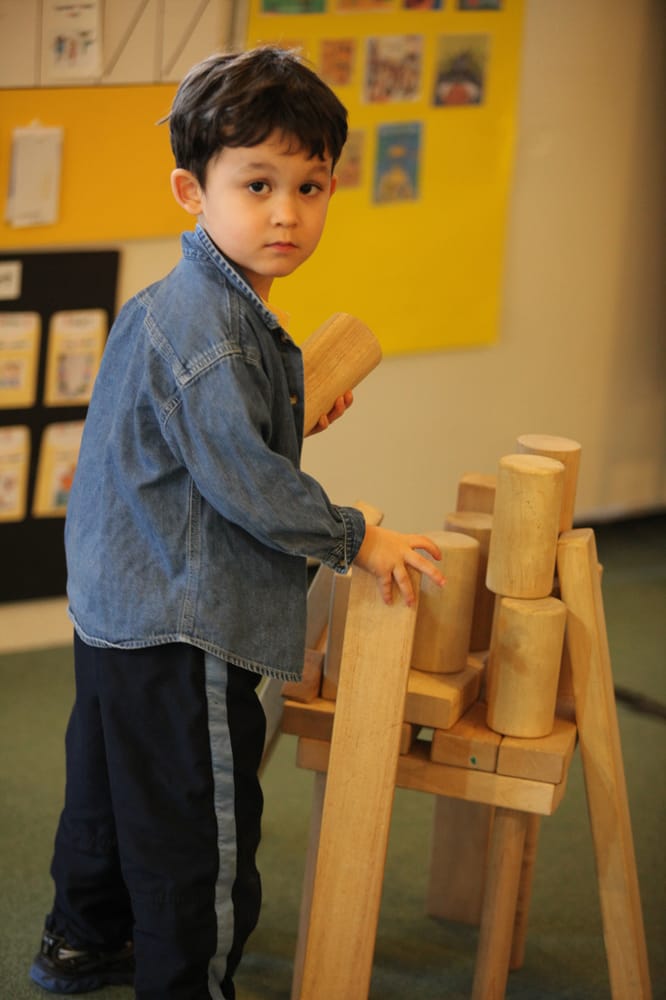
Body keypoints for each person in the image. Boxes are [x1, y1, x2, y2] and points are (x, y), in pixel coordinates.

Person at [29, 46, 445, 1000]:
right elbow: (248, 486)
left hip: (116, 602)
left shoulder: (178, 305)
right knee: (197, 825)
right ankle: (190, 983)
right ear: (193, 190)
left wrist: (287, 414)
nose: (287, 213)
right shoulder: (216, 335)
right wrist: (358, 537)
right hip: (183, 622)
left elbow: (185, 440)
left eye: (310, 186)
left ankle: (81, 940)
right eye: (257, 185)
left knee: (110, 781)